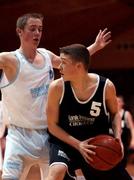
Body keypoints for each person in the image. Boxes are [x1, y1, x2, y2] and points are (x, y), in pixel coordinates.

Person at [0, 13, 111, 180]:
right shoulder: (10, 59)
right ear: (19, 31)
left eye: (40, 29)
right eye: (32, 29)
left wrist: (95, 46)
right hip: (19, 137)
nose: (37, 33)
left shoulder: (46, 55)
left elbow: (72, 63)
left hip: (48, 135)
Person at [46, 43, 132, 180]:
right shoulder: (56, 88)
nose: (59, 67)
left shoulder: (106, 86)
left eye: (63, 63)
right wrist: (78, 145)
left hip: (94, 145)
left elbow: (115, 114)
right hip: (66, 143)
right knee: (57, 171)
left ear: (78, 66)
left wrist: (117, 138)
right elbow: (52, 125)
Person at [117, 95, 134, 167]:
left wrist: (133, 140)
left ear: (122, 103)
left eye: (119, 101)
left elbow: (132, 128)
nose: (117, 103)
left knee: (122, 162)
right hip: (113, 140)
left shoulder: (126, 114)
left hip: (123, 142)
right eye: (115, 101)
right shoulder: (110, 113)